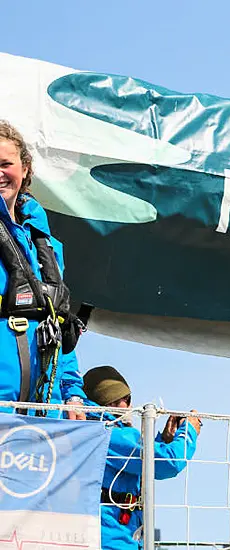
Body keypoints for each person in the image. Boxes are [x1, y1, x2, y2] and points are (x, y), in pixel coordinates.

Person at [0, 120, 86, 419]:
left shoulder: (45, 244)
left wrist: (73, 393)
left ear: (24, 169)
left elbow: (59, 323)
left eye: (5, 164)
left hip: (44, 412)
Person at [83, 365, 200, 550]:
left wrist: (163, 440)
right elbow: (170, 463)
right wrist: (189, 430)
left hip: (113, 536)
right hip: (112, 540)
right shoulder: (109, 434)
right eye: (128, 399)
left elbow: (133, 465)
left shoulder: (95, 431)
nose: (131, 406)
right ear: (113, 402)